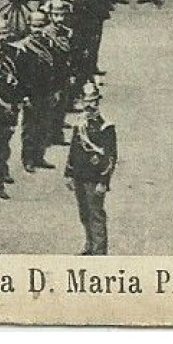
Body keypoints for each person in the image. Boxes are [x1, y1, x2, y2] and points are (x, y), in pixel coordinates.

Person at [65, 85, 116, 256]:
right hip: (80, 175)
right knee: (84, 214)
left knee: (96, 215)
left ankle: (99, 251)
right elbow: (73, 150)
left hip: (95, 177)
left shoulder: (105, 127)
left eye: (92, 101)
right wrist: (69, 173)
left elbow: (110, 156)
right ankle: (89, 245)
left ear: (98, 102)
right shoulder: (80, 123)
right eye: (86, 101)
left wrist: (104, 181)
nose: (89, 105)